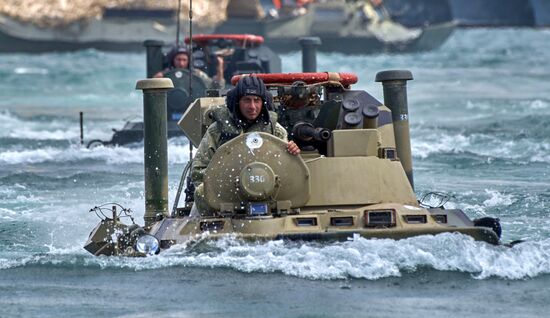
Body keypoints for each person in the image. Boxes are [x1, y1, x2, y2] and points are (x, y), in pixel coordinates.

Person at [190, 76, 300, 215]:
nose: (252, 107)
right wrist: (227, 181)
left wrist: (292, 153)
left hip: (269, 194)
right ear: (237, 102)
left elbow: (287, 173)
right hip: (226, 197)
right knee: (201, 193)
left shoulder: (276, 131)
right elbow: (198, 171)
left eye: (257, 100)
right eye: (247, 100)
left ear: (263, 102)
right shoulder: (217, 131)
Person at [154, 46, 226, 89]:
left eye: (184, 60)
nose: (181, 63)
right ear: (173, 60)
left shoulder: (197, 75)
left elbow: (216, 86)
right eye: (178, 59)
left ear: (189, 61)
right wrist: (156, 80)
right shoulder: (165, 75)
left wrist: (219, 68)